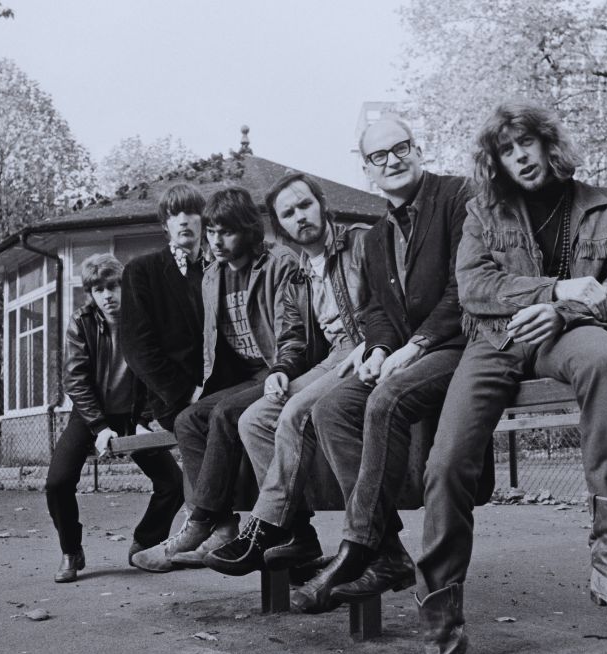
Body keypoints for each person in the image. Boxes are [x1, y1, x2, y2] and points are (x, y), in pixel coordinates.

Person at [409, 101, 607, 654]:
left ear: (549, 145)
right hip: (493, 341)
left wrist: (564, 313)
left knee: (606, 361)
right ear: (495, 161)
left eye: (528, 144)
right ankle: (444, 641)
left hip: (568, 336)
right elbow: (474, 290)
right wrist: (559, 289)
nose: (519, 157)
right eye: (505, 150)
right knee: (446, 463)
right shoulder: (482, 212)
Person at [291, 116, 471, 614]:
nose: (392, 161)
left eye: (401, 149)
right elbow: (376, 312)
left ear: (418, 150)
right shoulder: (373, 238)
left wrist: (413, 346)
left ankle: (356, 548)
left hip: (461, 345)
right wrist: (375, 350)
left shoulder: (459, 197)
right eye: (378, 156)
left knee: (386, 400)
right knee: (332, 408)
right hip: (406, 355)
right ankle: (388, 551)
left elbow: (466, 288)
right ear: (366, 168)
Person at [130, 187, 306, 572]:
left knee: (226, 413)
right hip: (245, 375)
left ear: (247, 229)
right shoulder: (213, 275)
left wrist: (281, 370)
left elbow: (294, 332)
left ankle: (197, 524)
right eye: (211, 231)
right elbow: (215, 345)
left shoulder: (280, 262)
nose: (215, 240)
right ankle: (220, 524)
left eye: (224, 231)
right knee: (189, 419)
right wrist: (198, 391)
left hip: (282, 369)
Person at [203, 173, 369, 576]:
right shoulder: (298, 270)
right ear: (280, 225)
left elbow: (391, 300)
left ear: (322, 204)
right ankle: (294, 532)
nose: (300, 217)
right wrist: (279, 370)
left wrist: (376, 342)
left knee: (295, 413)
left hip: (369, 347)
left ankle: (265, 527)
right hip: (334, 355)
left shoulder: (361, 241)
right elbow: (292, 334)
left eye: (305, 205)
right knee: (254, 418)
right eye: (288, 213)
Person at [43, 254, 186, 583]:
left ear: (125, 286)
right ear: (90, 294)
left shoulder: (144, 319)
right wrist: (100, 427)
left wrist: (145, 418)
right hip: (91, 415)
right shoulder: (81, 322)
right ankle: (70, 551)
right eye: (98, 289)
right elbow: (75, 380)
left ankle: (144, 544)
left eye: (113, 286)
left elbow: (157, 373)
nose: (107, 295)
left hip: (133, 414)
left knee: (173, 484)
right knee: (58, 482)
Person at [118, 183, 208, 565]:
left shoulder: (219, 268)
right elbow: (138, 347)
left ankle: (271, 534)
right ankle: (208, 525)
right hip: (174, 396)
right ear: (165, 224)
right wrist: (185, 391)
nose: (183, 219)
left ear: (204, 221)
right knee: (201, 421)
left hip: (222, 385)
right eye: (174, 213)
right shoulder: (143, 271)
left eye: (191, 212)